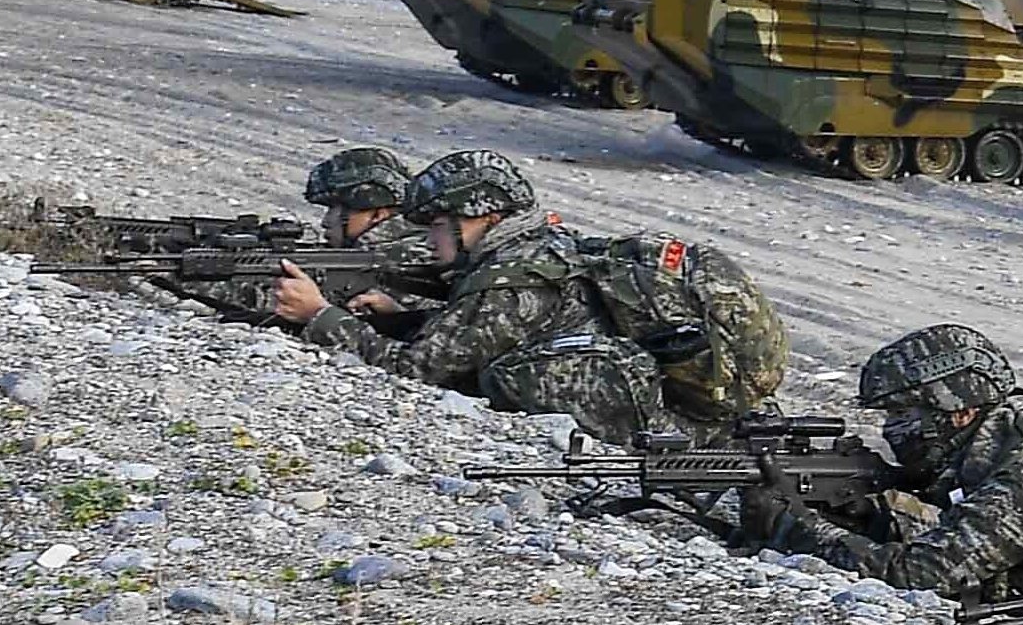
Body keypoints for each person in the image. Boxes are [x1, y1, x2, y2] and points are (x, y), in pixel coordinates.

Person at [267, 150, 688, 445]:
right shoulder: (533, 250)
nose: (429, 239)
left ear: (486, 219)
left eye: (439, 225)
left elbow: (416, 371)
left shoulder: (509, 280)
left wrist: (319, 315)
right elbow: (475, 340)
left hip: (640, 435)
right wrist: (401, 320)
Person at [751, 322, 1023, 596]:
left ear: (959, 412)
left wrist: (798, 527)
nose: (891, 430)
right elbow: (955, 521)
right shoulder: (1000, 440)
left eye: (902, 414)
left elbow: (923, 575)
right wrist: (869, 511)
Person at [173, 147, 421, 330]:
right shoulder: (388, 251)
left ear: (377, 214)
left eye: (336, 210)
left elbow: (279, 302)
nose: (326, 221)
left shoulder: (407, 259)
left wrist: (177, 272)